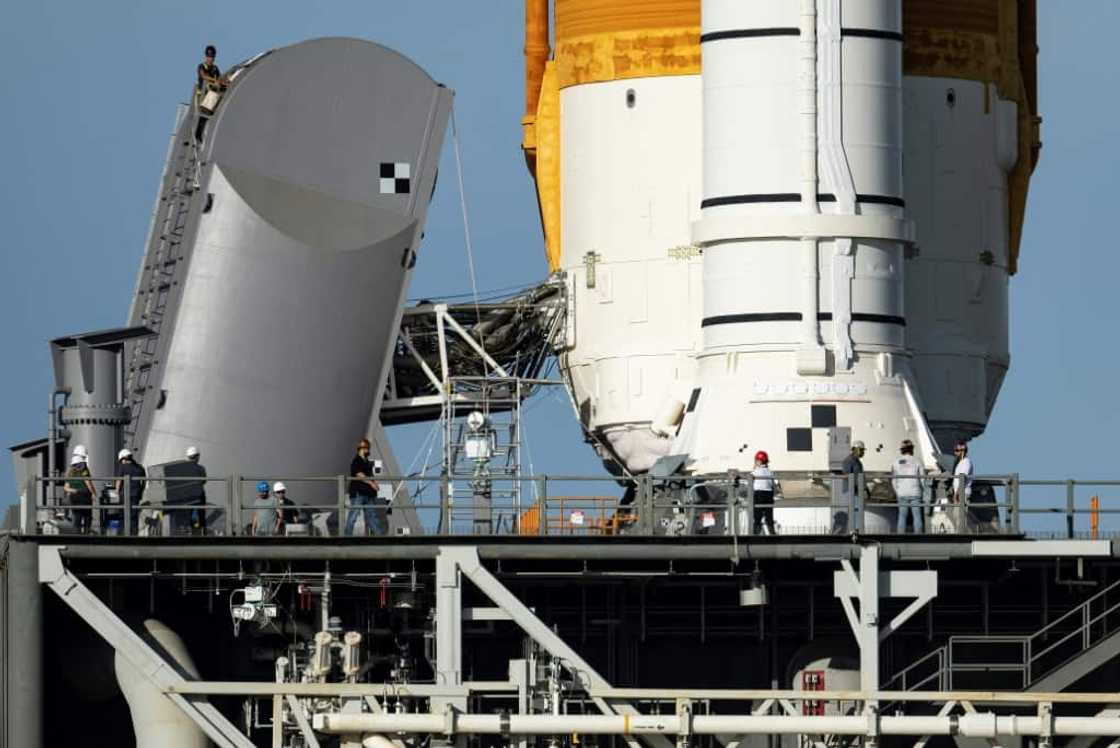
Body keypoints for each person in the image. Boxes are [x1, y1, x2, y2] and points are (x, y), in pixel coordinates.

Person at [345, 438, 386, 536]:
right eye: (367, 448)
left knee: (372, 517)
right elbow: (359, 474)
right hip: (358, 493)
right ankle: (346, 537)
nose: (368, 450)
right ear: (363, 448)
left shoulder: (366, 461)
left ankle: (380, 537)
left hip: (368, 493)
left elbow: (369, 475)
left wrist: (374, 483)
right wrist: (372, 483)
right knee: (353, 516)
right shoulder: (356, 460)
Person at [891, 439, 924, 534]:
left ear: (902, 450)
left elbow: (893, 480)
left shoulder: (896, 462)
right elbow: (922, 478)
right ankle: (918, 536)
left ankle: (900, 537)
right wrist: (923, 491)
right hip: (915, 492)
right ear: (912, 449)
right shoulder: (917, 461)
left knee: (902, 516)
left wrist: (897, 491)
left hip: (902, 493)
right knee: (917, 516)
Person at [194, 45, 226, 141]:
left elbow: (220, 78)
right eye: (209, 56)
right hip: (202, 96)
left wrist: (224, 81)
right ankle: (198, 134)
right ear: (206, 56)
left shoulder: (215, 68)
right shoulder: (201, 67)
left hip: (211, 95)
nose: (210, 59)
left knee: (217, 96)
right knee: (206, 109)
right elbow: (204, 76)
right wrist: (214, 80)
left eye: (212, 57)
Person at [835, 440, 867, 533]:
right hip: (851, 490)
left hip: (857, 490)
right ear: (855, 449)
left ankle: (856, 529)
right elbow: (847, 476)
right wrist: (857, 486)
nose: (862, 452)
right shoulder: (848, 461)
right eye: (861, 450)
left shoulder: (858, 462)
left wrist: (865, 488)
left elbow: (860, 475)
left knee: (857, 509)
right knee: (854, 510)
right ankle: (853, 530)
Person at [113, 448, 147, 535]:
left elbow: (119, 481)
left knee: (123, 516)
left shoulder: (123, 467)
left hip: (124, 495)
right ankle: (134, 534)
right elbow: (144, 481)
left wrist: (116, 492)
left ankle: (121, 534)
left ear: (124, 459)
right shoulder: (140, 467)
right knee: (134, 516)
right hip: (136, 495)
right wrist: (141, 491)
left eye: (121, 460)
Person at [179, 446, 208, 535]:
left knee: (188, 512)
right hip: (199, 493)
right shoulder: (201, 468)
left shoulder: (183, 468)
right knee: (201, 512)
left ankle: (189, 530)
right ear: (197, 456)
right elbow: (204, 480)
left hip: (188, 494)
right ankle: (202, 530)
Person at [64, 453, 96, 534]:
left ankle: (77, 536)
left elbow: (66, 488)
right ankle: (86, 534)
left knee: (77, 517)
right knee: (87, 516)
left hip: (74, 497)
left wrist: (74, 490)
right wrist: (94, 493)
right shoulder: (84, 471)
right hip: (84, 496)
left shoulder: (70, 472)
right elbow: (88, 483)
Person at [752, 451, 776, 535]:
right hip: (769, 495)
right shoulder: (769, 471)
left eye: (756, 460)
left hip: (759, 495)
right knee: (769, 517)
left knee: (757, 517)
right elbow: (772, 485)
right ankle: (772, 534)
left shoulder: (756, 471)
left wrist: (754, 469)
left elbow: (750, 480)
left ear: (759, 461)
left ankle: (755, 535)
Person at [952, 441, 974, 505]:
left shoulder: (966, 462)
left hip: (962, 493)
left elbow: (963, 478)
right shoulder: (960, 463)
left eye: (957, 450)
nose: (955, 452)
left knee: (960, 513)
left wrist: (957, 493)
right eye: (955, 450)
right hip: (960, 493)